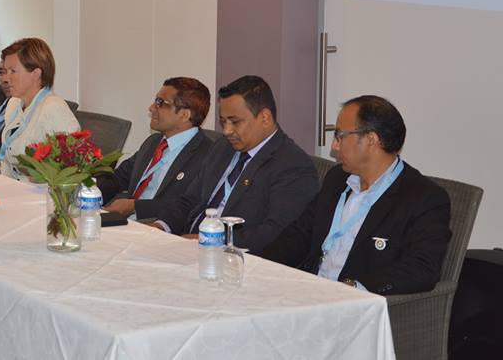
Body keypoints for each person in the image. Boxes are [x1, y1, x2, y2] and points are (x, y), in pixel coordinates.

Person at [260, 95, 451, 295]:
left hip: (358, 304)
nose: (334, 147)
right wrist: (257, 265)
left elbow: (422, 268)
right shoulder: (337, 178)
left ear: (371, 140)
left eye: (340, 136)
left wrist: (354, 288)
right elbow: (300, 235)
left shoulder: (424, 198)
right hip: (309, 291)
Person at [151, 75, 319, 253]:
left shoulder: (293, 165)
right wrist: (160, 226)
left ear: (265, 118)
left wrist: (211, 240)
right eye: (223, 122)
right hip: (187, 246)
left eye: (235, 122)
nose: (227, 131)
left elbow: (275, 233)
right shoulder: (222, 147)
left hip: (234, 257)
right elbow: (189, 200)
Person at [98, 77, 230, 221]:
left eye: (160, 103)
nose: (151, 108)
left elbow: (187, 205)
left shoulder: (207, 154)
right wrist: (89, 192)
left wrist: (134, 206)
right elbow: (118, 178)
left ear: (184, 115)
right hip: (126, 223)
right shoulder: (153, 142)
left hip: (158, 226)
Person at [0, 38, 80, 180]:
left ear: (36, 74)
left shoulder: (53, 108)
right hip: (9, 185)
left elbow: (72, 167)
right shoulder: (14, 103)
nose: (6, 78)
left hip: (40, 191)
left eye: (13, 71)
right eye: (5, 71)